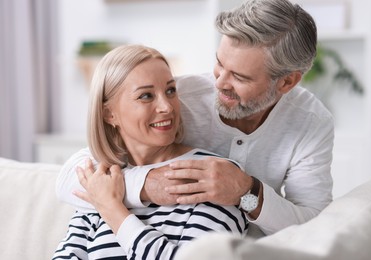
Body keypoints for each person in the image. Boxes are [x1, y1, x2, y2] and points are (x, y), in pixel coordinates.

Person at [56, 0, 334, 238]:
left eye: (239, 76)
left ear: (287, 82)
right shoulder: (178, 97)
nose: (220, 83)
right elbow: (71, 179)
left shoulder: (311, 122)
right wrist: (147, 185)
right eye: (220, 64)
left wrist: (246, 193)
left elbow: (314, 225)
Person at [52, 44, 247, 259]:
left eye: (170, 90)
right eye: (146, 96)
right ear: (109, 114)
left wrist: (113, 210)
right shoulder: (103, 179)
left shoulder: (212, 176)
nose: (167, 107)